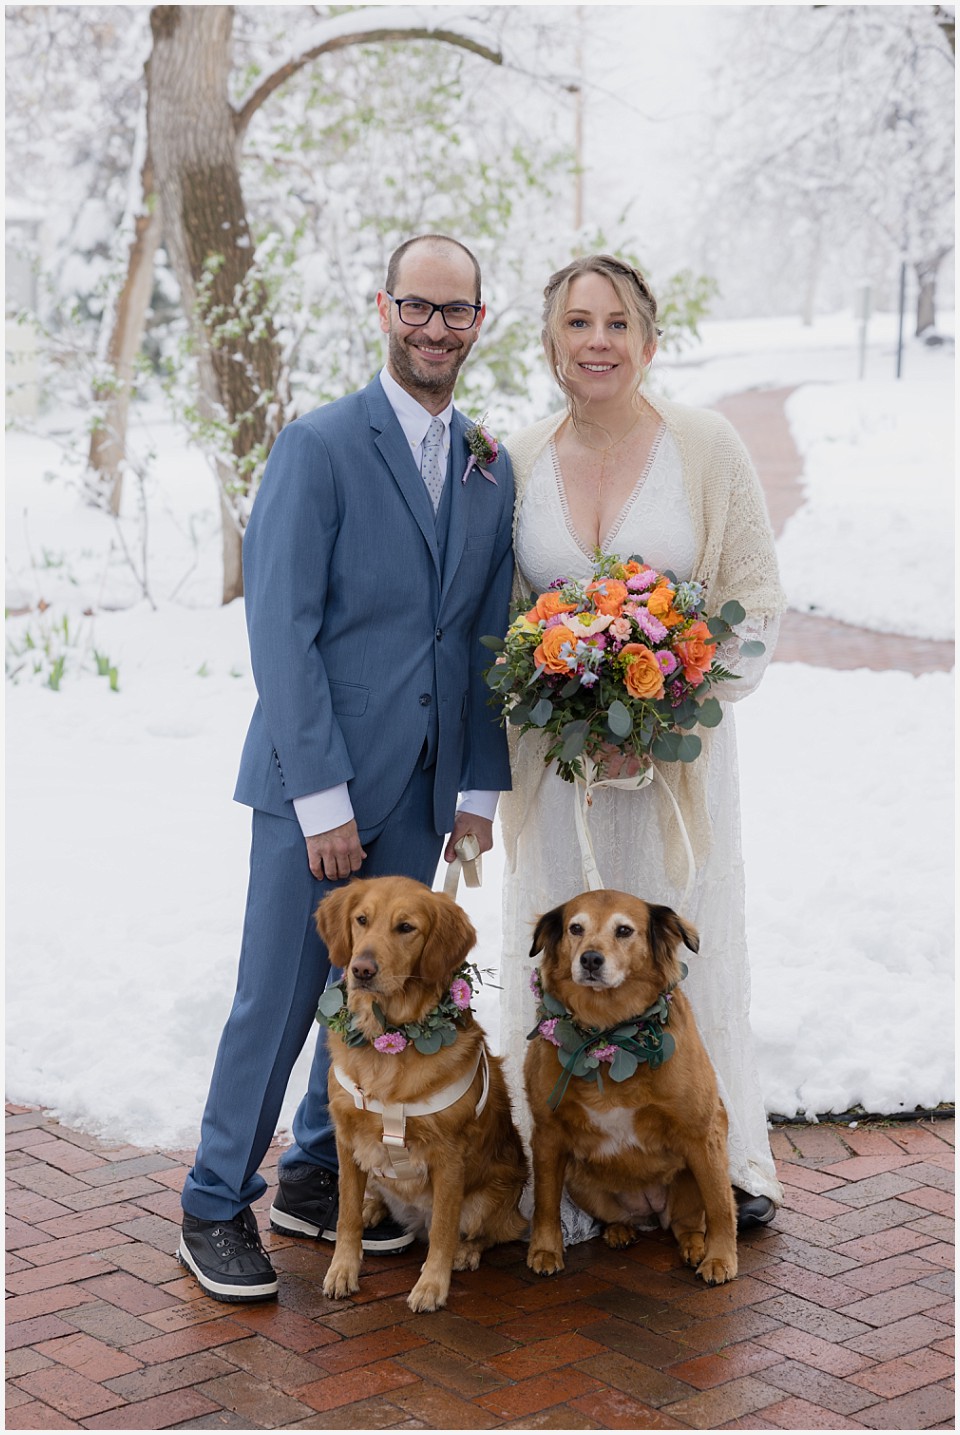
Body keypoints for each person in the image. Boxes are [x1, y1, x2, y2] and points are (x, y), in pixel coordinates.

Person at [179, 234, 515, 1303]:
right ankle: (214, 1199)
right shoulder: (317, 446)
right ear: (383, 308)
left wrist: (476, 786)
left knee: (382, 1001)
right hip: (313, 786)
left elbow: (484, 634)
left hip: (423, 789)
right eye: (418, 306)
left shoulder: (488, 465)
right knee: (278, 1002)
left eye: (455, 312)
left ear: (477, 323)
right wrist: (318, 796)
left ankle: (318, 1176)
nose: (435, 328)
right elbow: (282, 631)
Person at [498, 254, 785, 1238]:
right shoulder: (521, 457)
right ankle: (565, 1173)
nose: (598, 342)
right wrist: (554, 710)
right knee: (564, 952)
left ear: (649, 340)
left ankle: (718, 1156)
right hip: (559, 776)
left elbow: (753, 597)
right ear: (551, 342)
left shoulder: (705, 447)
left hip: (676, 774)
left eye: (617, 323)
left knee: (685, 947)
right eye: (578, 323)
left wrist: (662, 718)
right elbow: (504, 625)